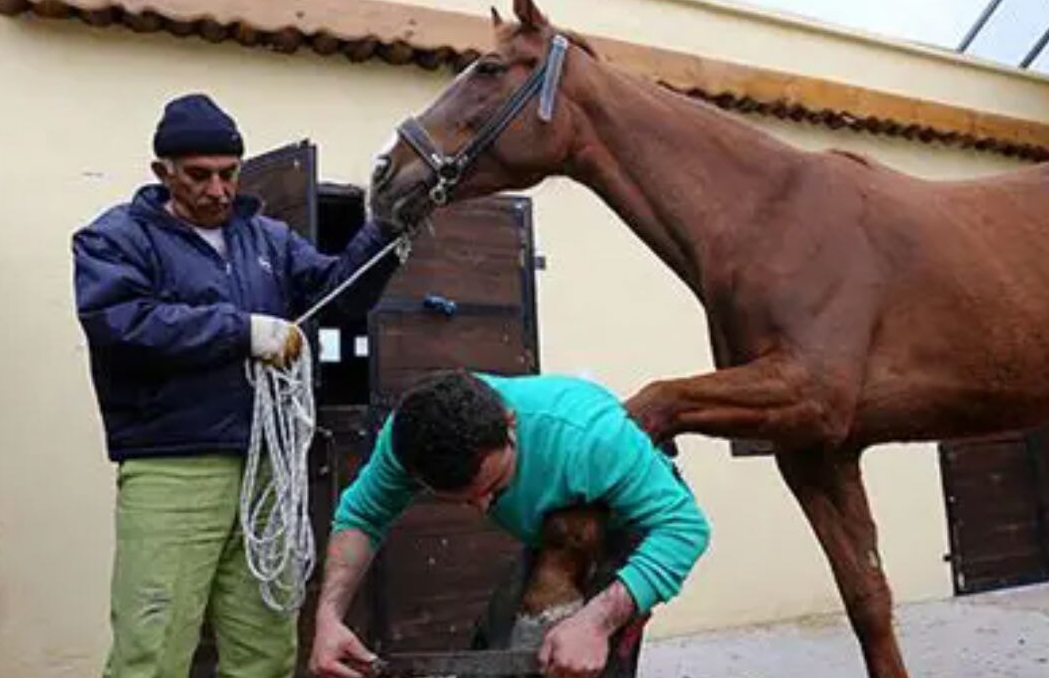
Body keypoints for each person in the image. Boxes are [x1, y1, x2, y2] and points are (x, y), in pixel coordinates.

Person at [73, 93, 405, 678]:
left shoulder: (268, 240)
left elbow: (336, 295)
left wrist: (386, 232)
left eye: (229, 174)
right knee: (152, 647)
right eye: (199, 176)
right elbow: (121, 322)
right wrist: (240, 331)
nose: (218, 190)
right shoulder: (114, 239)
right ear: (162, 172)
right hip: (172, 465)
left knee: (266, 650)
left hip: (264, 469)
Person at [309, 370, 710, 678]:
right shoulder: (407, 438)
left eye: (494, 488)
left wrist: (597, 621)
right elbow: (361, 516)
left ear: (510, 422)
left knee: (576, 657)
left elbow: (684, 528)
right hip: (551, 530)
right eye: (464, 500)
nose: (483, 508)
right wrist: (328, 618)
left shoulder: (592, 438)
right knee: (501, 647)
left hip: (628, 524)